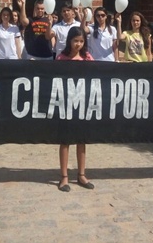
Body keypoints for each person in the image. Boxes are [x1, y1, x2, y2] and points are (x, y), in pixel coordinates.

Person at [56, 26, 95, 192]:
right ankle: (64, 176)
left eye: (81, 41)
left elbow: (96, 75)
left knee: (81, 139)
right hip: (66, 102)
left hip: (83, 102)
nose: (78, 44)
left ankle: (81, 174)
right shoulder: (62, 58)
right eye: (75, 41)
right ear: (69, 41)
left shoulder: (87, 57)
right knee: (65, 140)